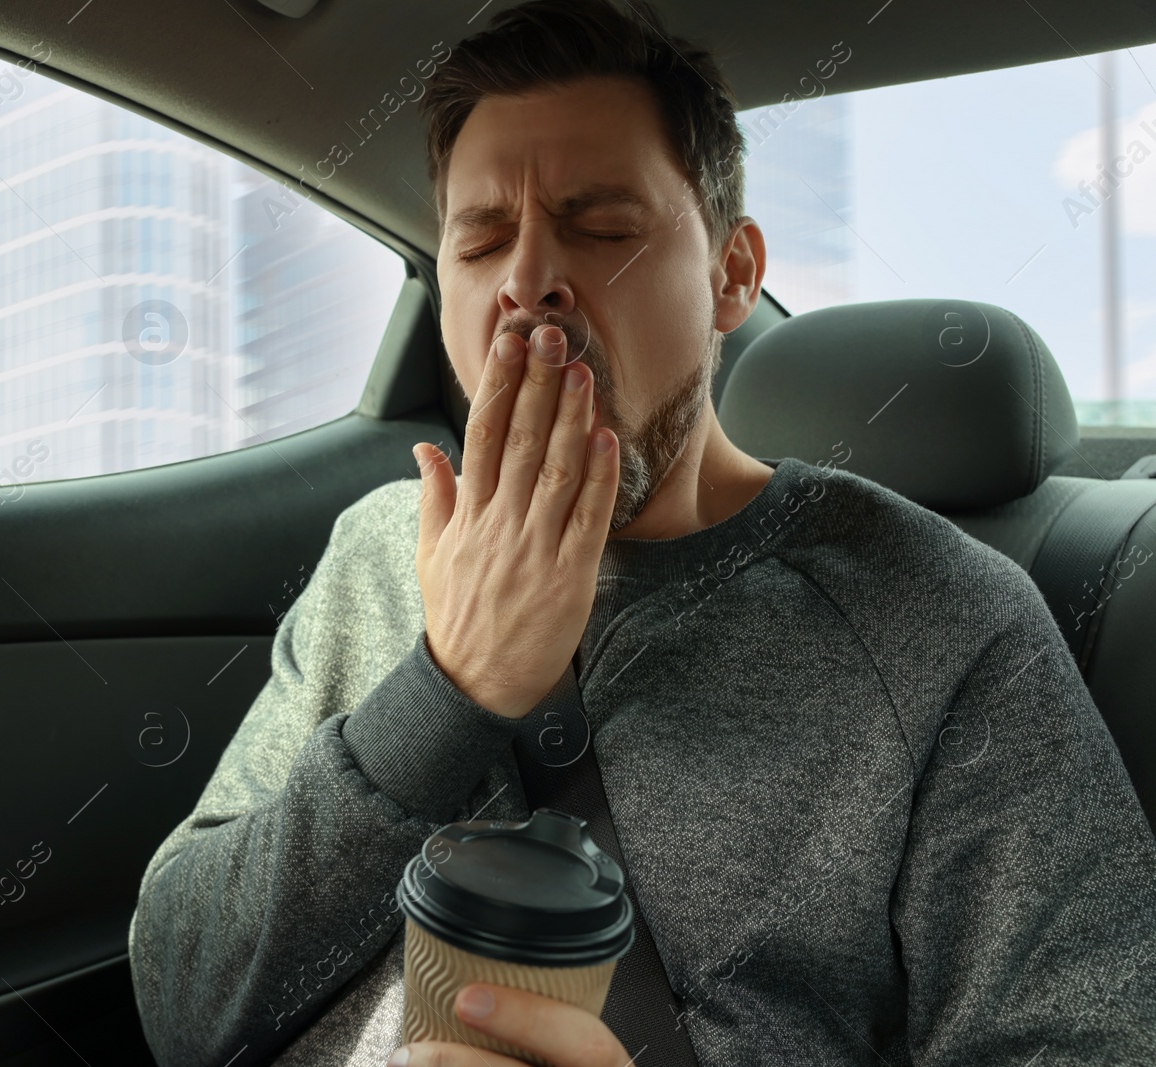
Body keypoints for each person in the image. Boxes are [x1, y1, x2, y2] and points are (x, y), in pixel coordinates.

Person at [127, 1, 1156, 1064]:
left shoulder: (937, 617)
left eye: (602, 226)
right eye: (480, 239)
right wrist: (449, 688)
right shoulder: (376, 548)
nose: (527, 281)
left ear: (732, 274)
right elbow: (184, 1005)